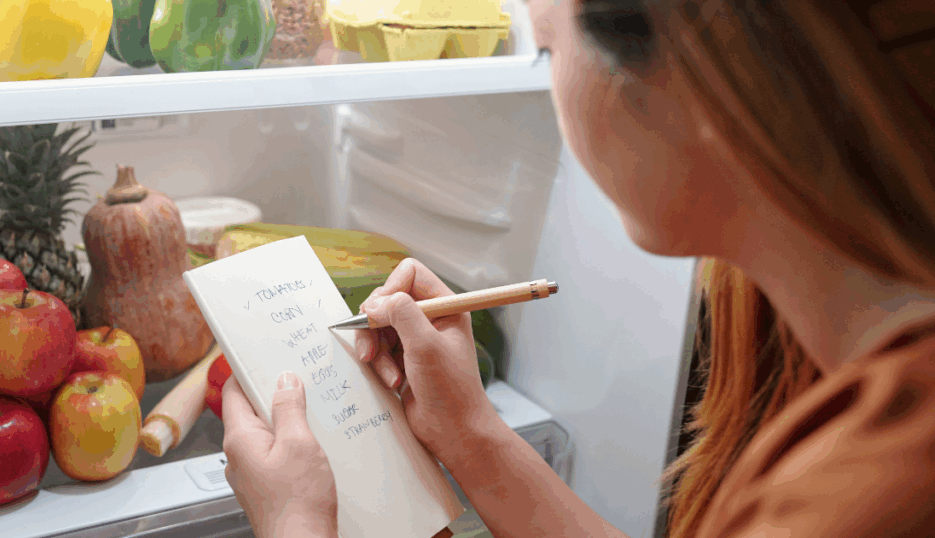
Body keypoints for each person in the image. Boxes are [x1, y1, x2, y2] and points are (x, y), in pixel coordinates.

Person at [220, 1, 935, 537]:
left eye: (552, 45)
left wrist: (297, 527)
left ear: (710, 89)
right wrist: (471, 434)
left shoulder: (874, 488)